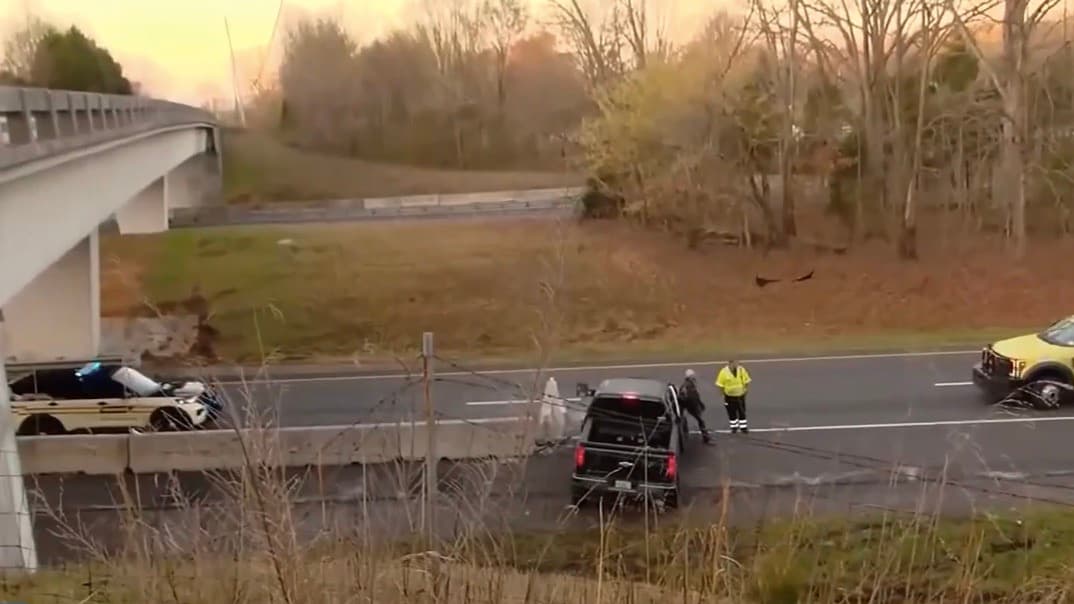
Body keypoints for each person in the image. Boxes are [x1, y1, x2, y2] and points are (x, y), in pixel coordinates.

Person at [715, 359, 751, 433]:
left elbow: (746, 380)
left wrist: (745, 389)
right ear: (729, 364)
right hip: (729, 396)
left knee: (742, 412)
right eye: (734, 363)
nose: (735, 365)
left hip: (740, 395)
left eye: (736, 363)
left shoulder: (741, 370)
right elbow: (720, 384)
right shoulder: (723, 372)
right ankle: (734, 427)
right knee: (731, 412)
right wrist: (722, 393)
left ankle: (743, 428)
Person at [679, 369, 711, 444]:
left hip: (689, 405)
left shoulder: (687, 384)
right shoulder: (688, 386)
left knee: (684, 420)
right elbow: (691, 397)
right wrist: (697, 405)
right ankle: (706, 437)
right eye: (693, 376)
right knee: (701, 421)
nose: (694, 377)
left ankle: (685, 433)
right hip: (691, 406)